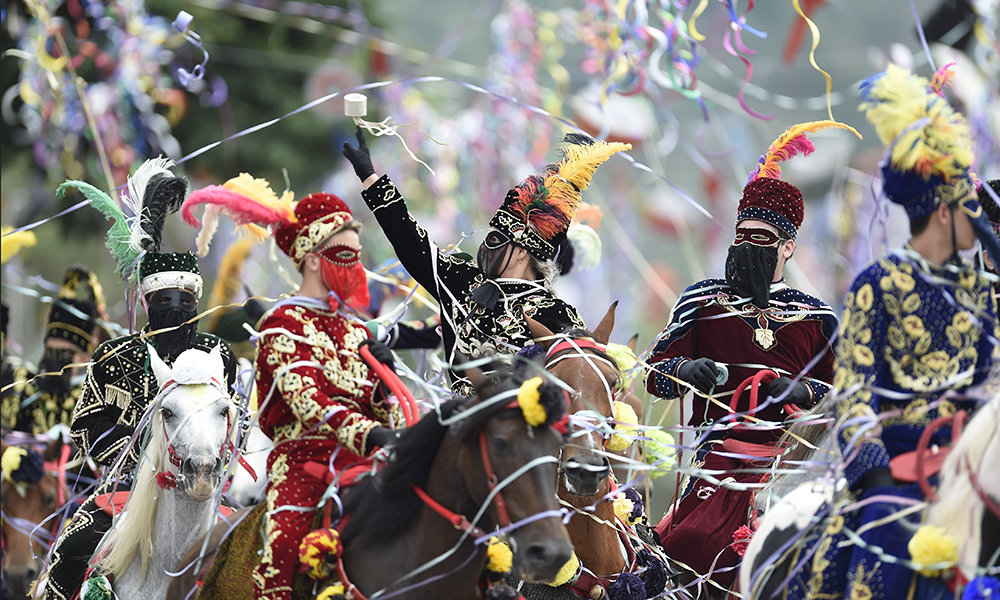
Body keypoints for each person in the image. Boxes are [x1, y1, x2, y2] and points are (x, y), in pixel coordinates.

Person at [795, 65, 1000, 600]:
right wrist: (875, 472)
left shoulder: (981, 290)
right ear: (940, 213)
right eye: (969, 207)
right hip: (899, 468)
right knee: (882, 533)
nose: (979, 219)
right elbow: (854, 393)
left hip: (975, 459)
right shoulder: (876, 285)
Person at [643, 121, 855, 587]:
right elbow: (653, 375)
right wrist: (686, 369)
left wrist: (803, 390)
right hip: (719, 460)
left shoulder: (817, 315)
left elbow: (849, 397)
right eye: (742, 235)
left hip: (795, 458)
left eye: (761, 239)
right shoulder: (702, 298)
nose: (747, 246)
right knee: (691, 546)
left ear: (788, 247)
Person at [181, 176, 402, 600]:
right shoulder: (283, 323)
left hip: (367, 462)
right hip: (304, 462)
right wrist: (368, 431)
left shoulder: (357, 330)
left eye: (359, 257)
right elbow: (307, 400)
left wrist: (384, 390)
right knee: (281, 551)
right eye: (345, 256)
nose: (356, 268)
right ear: (314, 259)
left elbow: (384, 412)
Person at [38, 160, 239, 600]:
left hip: (203, 481)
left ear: (196, 301)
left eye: (184, 300)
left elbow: (234, 418)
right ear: (148, 302)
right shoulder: (114, 353)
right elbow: (88, 423)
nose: (175, 309)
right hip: (126, 486)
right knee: (71, 551)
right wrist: (135, 464)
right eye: (164, 301)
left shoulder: (217, 354)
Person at [343, 129, 629, 393]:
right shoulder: (463, 281)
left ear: (521, 251)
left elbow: (580, 383)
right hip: (455, 421)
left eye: (496, 240)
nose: (486, 246)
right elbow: (409, 241)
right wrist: (370, 177)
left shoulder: (558, 314)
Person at [2, 266, 106, 435]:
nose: (53, 359)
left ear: (83, 358)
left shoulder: (93, 399)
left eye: (64, 353)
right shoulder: (25, 392)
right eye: (50, 351)